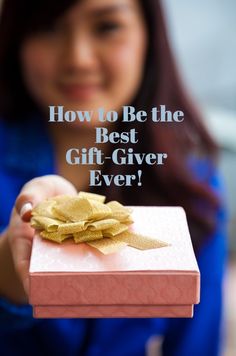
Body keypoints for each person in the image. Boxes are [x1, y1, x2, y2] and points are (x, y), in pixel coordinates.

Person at [0, 0, 227, 355]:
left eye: (106, 27)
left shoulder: (193, 182)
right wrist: (9, 263)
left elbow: (198, 345)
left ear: (149, 36)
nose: (78, 58)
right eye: (49, 27)